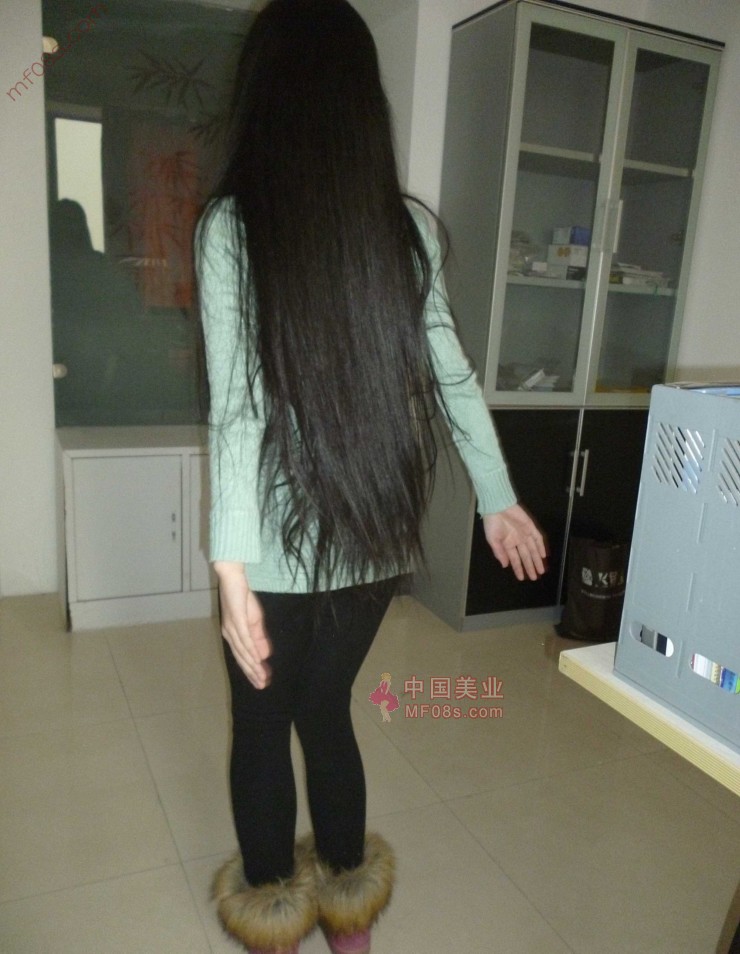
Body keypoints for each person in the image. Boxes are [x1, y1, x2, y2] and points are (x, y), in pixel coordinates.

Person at [195, 2, 546, 952]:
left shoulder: (233, 227)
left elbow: (238, 412)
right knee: (327, 714)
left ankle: (274, 923)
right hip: (370, 539)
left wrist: (230, 568)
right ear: (362, 103)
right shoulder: (407, 230)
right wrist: (499, 499)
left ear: (264, 94)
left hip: (271, 550)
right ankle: (349, 922)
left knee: (262, 729)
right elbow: (452, 377)